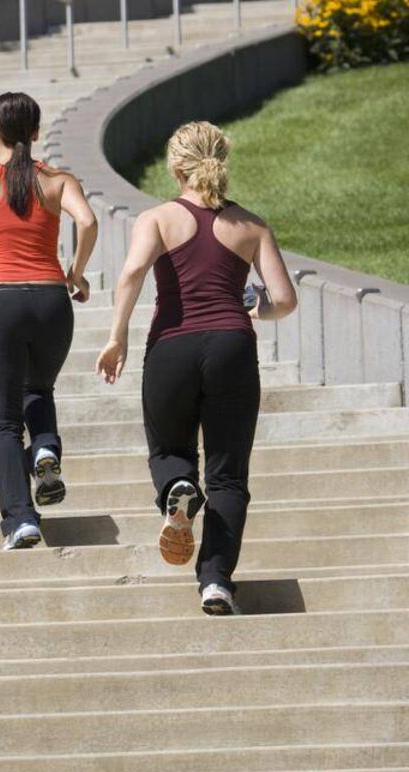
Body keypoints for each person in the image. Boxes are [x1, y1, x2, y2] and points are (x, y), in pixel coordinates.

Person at [95, 121, 297, 615]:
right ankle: (215, 582)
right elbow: (285, 300)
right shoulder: (251, 225)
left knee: (168, 449)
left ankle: (178, 486)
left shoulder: (159, 218)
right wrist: (254, 304)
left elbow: (133, 272)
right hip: (232, 346)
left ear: (175, 166)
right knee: (228, 476)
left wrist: (116, 335)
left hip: (172, 348)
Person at [0, 91, 98, 551]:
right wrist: (76, 273)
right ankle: (46, 445)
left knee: (4, 421)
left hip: (1, 302)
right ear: (36, 132)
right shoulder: (58, 181)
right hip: (53, 300)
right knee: (39, 388)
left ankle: (20, 520)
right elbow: (87, 223)